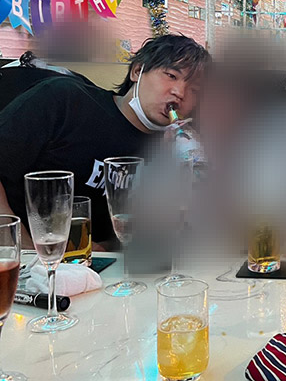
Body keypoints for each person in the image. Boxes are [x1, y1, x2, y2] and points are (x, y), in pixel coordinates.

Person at [0, 34, 210, 248]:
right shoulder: (64, 100)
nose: (180, 92)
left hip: (92, 263)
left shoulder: (174, 150)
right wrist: (18, 246)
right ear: (137, 71)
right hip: (18, 254)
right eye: (171, 76)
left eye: (194, 90)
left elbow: (144, 234)